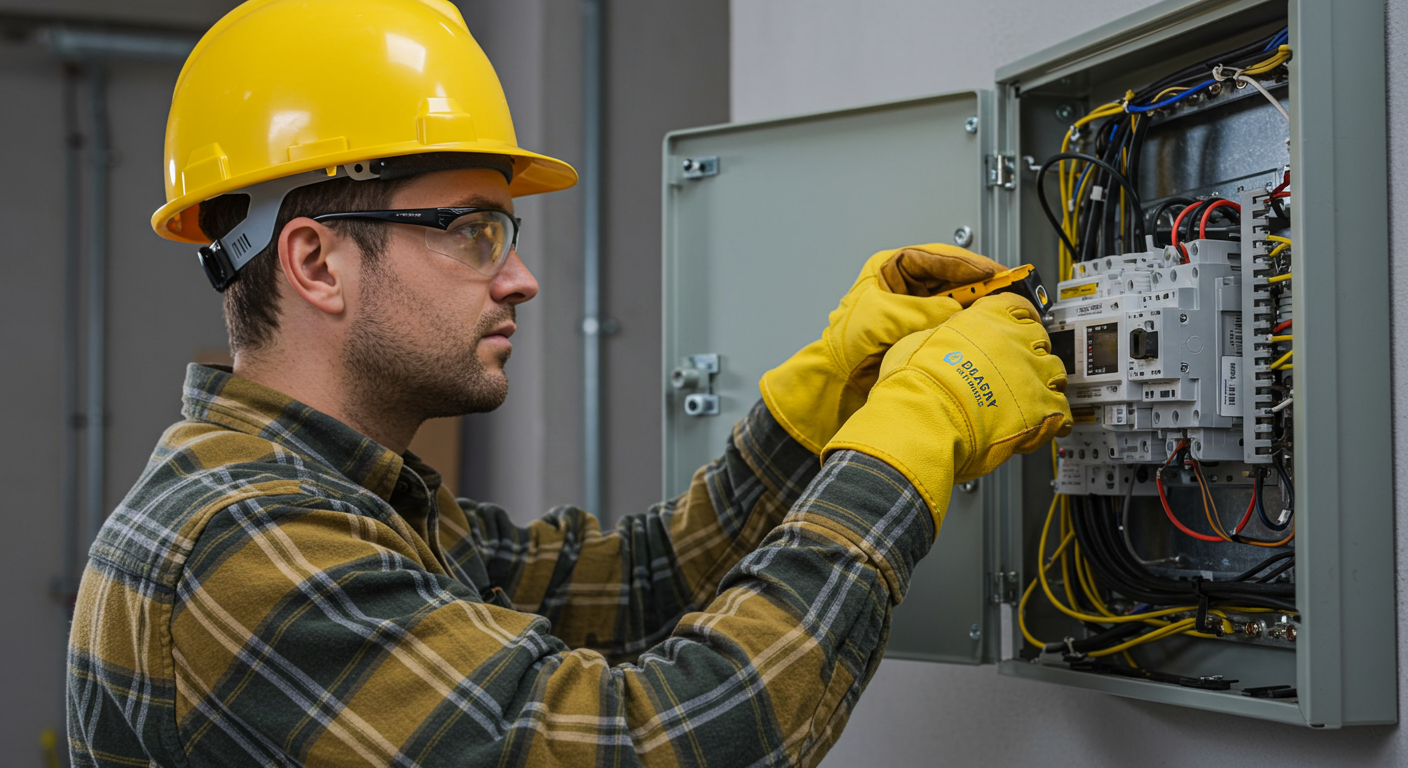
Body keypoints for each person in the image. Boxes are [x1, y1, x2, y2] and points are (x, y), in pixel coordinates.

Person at [65, 1, 1072, 766]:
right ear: (316, 262)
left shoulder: (353, 502)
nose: (520, 277)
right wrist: (907, 444)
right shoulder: (239, 546)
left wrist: (818, 410)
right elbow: (652, 743)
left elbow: (635, 583)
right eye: (469, 231)